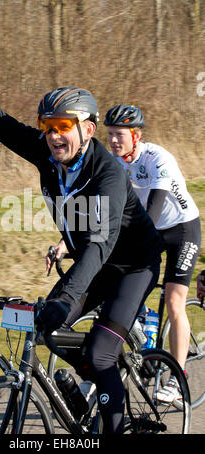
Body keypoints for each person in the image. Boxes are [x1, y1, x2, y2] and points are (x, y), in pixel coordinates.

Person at [0, 20, 163, 433]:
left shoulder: (108, 173)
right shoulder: (48, 155)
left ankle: (115, 414)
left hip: (132, 265)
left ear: (88, 130)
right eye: (46, 126)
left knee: (101, 352)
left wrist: (67, 294)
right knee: (46, 328)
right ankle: (96, 380)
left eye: (63, 127)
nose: (53, 136)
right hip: (96, 264)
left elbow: (101, 243)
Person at [104, 104, 202, 402]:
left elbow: (152, 212)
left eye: (120, 135)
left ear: (137, 135)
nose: (114, 141)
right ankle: (142, 319)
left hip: (181, 230)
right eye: (110, 135)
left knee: (174, 300)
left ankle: (178, 376)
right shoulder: (114, 162)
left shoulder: (158, 159)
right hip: (151, 230)